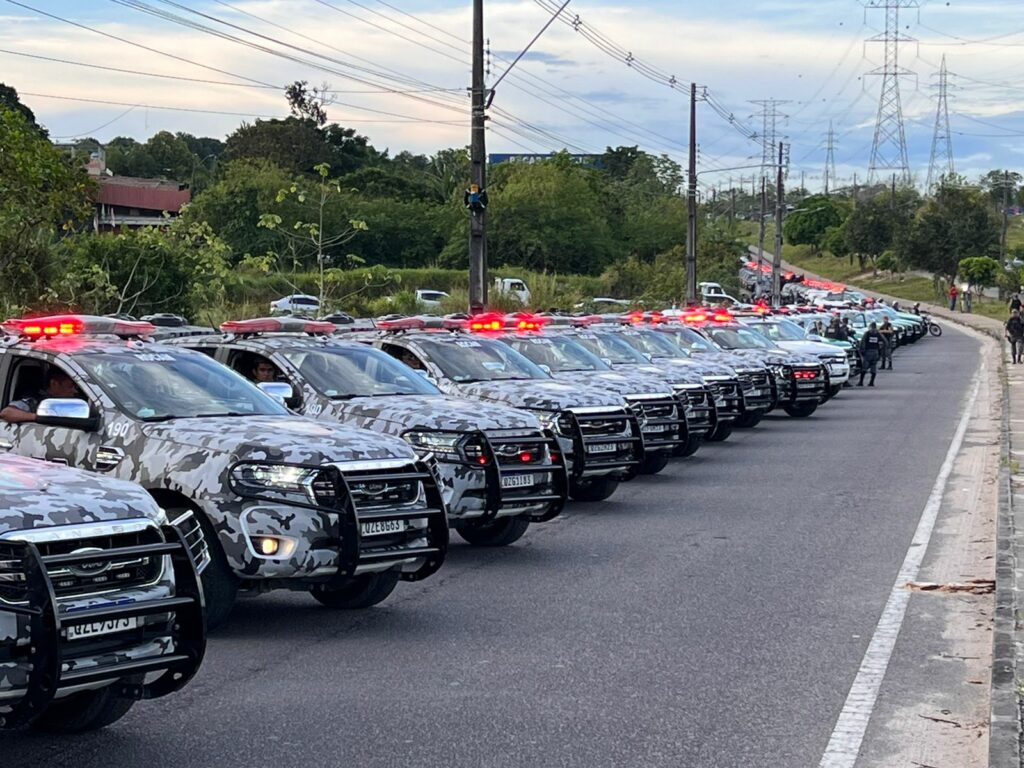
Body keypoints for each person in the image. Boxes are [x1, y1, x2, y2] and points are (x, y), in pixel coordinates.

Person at [0, 369, 79, 424]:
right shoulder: (35, 401)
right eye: (70, 386)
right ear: (54, 384)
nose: (75, 391)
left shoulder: (79, 401)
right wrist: (39, 418)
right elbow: (6, 413)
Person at [859, 322, 885, 387]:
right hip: (875, 352)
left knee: (864, 367)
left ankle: (861, 382)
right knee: (873, 367)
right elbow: (885, 341)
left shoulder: (867, 333)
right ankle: (871, 382)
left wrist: (862, 351)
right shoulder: (878, 334)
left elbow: (863, 342)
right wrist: (880, 349)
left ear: (870, 326)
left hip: (868, 352)